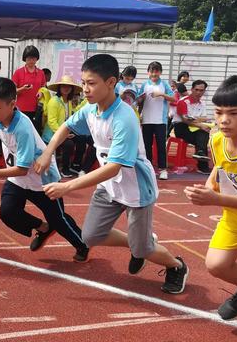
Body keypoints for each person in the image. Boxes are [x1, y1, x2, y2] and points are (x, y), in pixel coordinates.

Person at [35, 53, 189, 294]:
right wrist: (47, 152)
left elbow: (114, 167)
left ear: (111, 82)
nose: (85, 89)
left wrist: (67, 186)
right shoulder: (90, 109)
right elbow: (66, 126)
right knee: (92, 235)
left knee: (143, 250)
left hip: (136, 188)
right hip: (110, 187)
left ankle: (176, 266)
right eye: (83, 83)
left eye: (91, 83)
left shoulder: (124, 117)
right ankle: (139, 244)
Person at [0, 77, 89, 261]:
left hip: (42, 180)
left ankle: (82, 244)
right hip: (17, 179)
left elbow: (22, 169)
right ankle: (43, 228)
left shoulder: (22, 128)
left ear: (12, 104)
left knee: (58, 219)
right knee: (7, 213)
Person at [184, 73, 237, 320]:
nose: (224, 120)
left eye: (234, 113)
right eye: (219, 112)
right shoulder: (218, 139)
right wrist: (207, 187)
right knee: (216, 264)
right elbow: (220, 169)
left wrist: (215, 199)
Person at [43, 75, 87, 178]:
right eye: (63, 86)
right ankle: (65, 169)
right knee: (69, 144)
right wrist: (64, 134)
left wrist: (86, 102)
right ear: (59, 88)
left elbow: (72, 115)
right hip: (53, 134)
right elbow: (51, 122)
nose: (66, 88)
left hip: (64, 131)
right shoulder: (54, 101)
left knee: (81, 138)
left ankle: (75, 165)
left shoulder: (68, 101)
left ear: (72, 89)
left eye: (69, 86)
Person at [138, 61, 176, 180]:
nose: (154, 74)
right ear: (148, 72)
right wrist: (140, 100)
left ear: (160, 72)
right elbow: (139, 101)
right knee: (146, 145)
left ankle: (163, 169)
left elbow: (173, 98)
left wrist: (161, 94)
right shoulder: (144, 84)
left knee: (161, 145)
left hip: (160, 121)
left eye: (156, 71)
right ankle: (149, 168)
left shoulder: (164, 84)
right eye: (152, 71)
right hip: (146, 120)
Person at [172, 80, 212, 174]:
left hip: (194, 128)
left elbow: (205, 118)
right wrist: (199, 123)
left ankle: (200, 153)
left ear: (204, 91)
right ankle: (202, 166)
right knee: (203, 134)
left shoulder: (203, 103)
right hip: (181, 127)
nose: (198, 92)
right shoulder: (183, 102)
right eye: (196, 90)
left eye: (201, 90)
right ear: (192, 89)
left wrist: (196, 121)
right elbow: (185, 120)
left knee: (203, 132)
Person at [12, 45, 46, 133]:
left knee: (35, 133)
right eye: (29, 58)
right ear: (25, 59)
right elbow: (12, 91)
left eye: (33, 58)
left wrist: (41, 92)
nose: (31, 61)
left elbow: (44, 87)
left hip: (37, 109)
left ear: (37, 59)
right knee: (22, 132)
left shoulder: (41, 73)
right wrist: (22, 89)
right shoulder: (18, 72)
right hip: (21, 109)